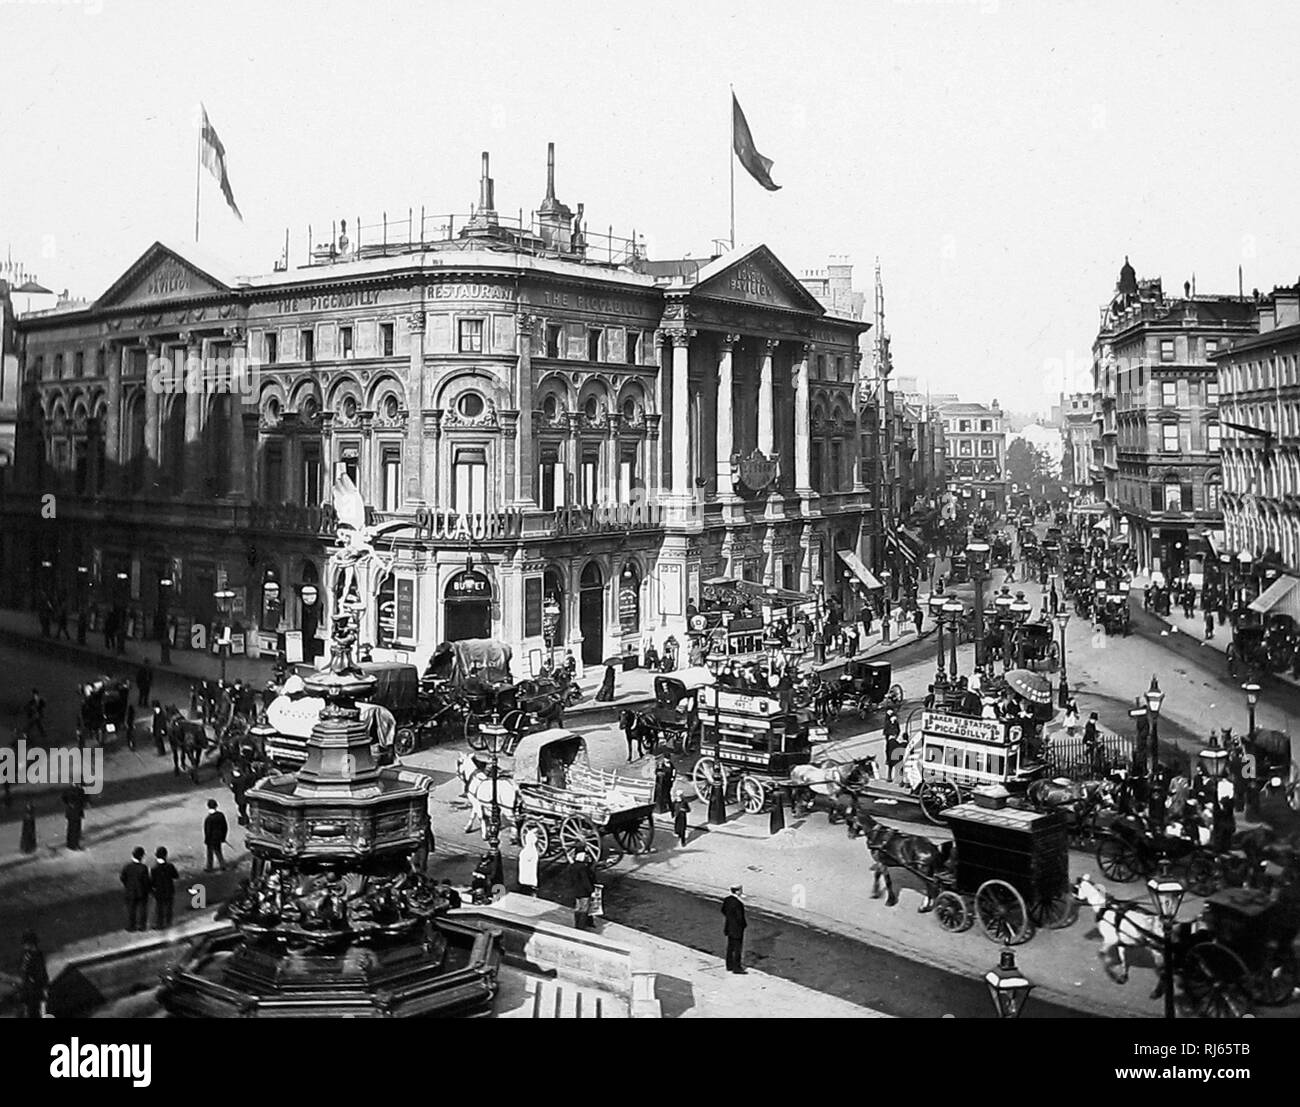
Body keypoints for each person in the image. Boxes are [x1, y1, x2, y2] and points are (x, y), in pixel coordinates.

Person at [120, 845, 152, 932]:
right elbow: (146, 881)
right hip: (141, 892)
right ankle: (142, 926)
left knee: (131, 910)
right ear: (141, 857)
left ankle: (131, 926)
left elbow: (123, 878)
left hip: (130, 891)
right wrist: (149, 890)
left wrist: (127, 886)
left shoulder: (127, 867)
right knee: (142, 909)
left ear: (132, 856)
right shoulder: (143, 868)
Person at [18, 931, 48, 1019]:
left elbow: (38, 974)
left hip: (31, 989)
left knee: (32, 1012)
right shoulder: (32, 955)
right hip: (31, 990)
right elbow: (39, 974)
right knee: (33, 1011)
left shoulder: (30, 955)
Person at [151, 846, 179, 929]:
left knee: (159, 908)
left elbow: (153, 882)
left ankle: (159, 924)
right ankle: (168, 922)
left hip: (159, 891)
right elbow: (176, 876)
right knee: (169, 907)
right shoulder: (170, 866)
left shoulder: (154, 869)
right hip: (169, 890)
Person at [722, 885, 747, 973]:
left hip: (729, 927)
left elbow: (723, 911)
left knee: (730, 947)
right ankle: (737, 967)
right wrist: (743, 925)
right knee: (737, 949)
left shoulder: (727, 900)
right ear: (737, 891)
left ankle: (729, 965)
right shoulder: (738, 904)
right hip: (737, 929)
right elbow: (740, 918)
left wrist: (730, 919)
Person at [569, 849, 596, 929]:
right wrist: (591, 890)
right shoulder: (583, 868)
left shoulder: (573, 866)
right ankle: (581, 926)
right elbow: (585, 880)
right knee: (584, 909)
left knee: (577, 908)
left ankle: (577, 924)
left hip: (576, 890)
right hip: (584, 891)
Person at [203, 798, 229, 872]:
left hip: (211, 838)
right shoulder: (221, 815)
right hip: (219, 837)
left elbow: (207, 831)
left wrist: (206, 840)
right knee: (218, 851)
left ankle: (209, 867)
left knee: (210, 853)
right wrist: (223, 837)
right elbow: (225, 827)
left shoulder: (208, 818)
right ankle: (222, 865)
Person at [62, 783, 88, 850]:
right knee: (74, 829)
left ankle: (73, 844)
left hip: (75, 812)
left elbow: (84, 798)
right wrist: (70, 803)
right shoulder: (73, 790)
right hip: (74, 812)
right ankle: (73, 845)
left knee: (74, 829)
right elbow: (64, 798)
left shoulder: (77, 789)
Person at [517, 826, 539, 896]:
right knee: (530, 871)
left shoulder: (529, 848)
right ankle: (529, 883)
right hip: (529, 859)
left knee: (529, 871)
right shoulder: (530, 848)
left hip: (528, 858)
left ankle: (526, 882)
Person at [883, 710, 904, 783]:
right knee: (891, 762)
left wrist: (895, 735)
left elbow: (898, 730)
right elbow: (886, 732)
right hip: (890, 741)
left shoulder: (895, 723)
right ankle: (889, 777)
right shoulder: (888, 723)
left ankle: (895, 778)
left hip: (893, 742)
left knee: (892, 761)